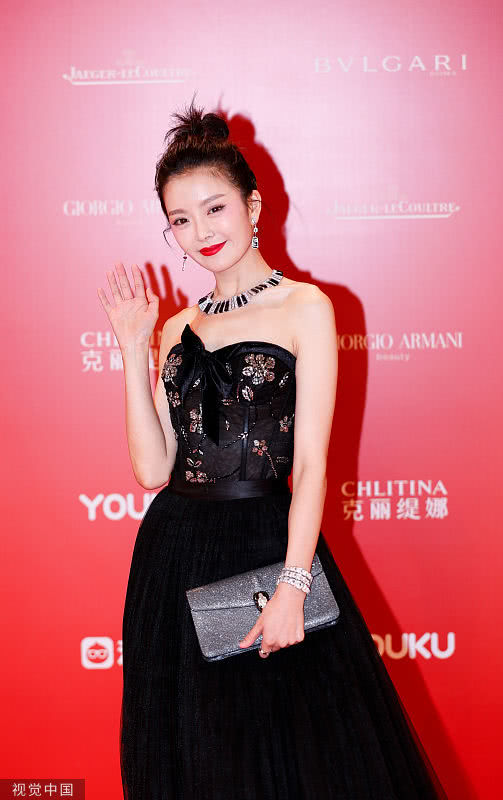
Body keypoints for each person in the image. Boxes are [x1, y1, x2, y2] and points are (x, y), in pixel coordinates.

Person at [97, 98, 448, 799]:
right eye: (180, 220)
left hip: (266, 545)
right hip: (173, 552)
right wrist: (133, 349)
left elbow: (312, 465)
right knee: (194, 756)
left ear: (253, 206)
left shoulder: (304, 307)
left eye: (214, 208)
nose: (201, 232)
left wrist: (293, 586)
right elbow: (150, 469)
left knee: (282, 758)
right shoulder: (176, 327)